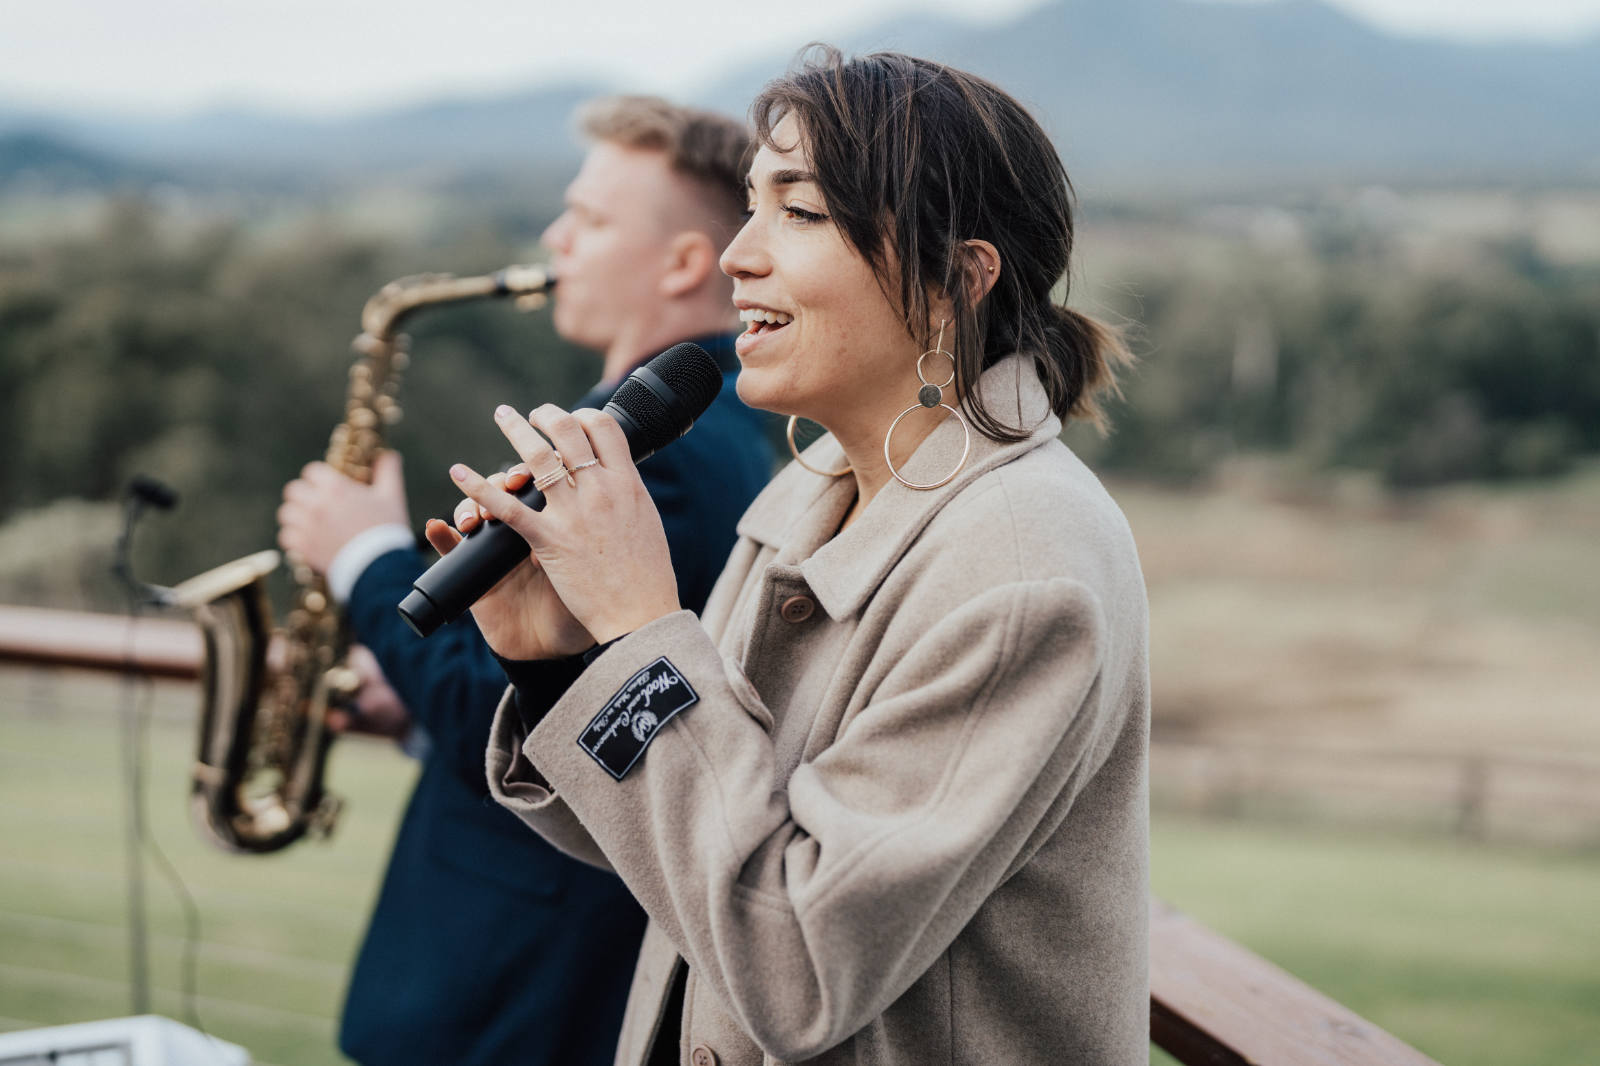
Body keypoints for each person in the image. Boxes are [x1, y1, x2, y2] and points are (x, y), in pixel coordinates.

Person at [433, 48, 1148, 1066]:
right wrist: (551, 662)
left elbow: (796, 964)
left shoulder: (1025, 564)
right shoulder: (810, 491)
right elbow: (683, 852)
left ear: (956, 278)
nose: (736, 256)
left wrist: (640, 628)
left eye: (800, 214)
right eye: (750, 207)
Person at [274, 95, 775, 1066]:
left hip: (510, 986)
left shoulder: (648, 456)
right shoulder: (706, 435)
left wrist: (363, 557)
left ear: (680, 264)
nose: (555, 237)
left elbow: (530, 727)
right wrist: (410, 698)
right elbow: (548, 701)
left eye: (588, 218)